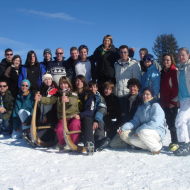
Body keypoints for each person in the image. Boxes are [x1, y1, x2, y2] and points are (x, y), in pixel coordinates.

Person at [114, 87, 166, 154]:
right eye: (144, 94)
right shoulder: (141, 108)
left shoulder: (155, 106)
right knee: (132, 140)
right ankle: (152, 145)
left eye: (147, 94)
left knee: (142, 132)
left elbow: (155, 123)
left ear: (152, 96)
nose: (145, 96)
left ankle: (157, 147)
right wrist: (124, 127)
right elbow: (135, 121)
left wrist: (139, 129)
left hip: (157, 131)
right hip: (144, 132)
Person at [35, 76, 81, 151]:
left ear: (68, 84)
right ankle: (62, 143)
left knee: (75, 125)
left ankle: (73, 143)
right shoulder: (58, 94)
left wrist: (68, 99)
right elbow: (50, 100)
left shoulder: (73, 93)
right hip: (63, 117)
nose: (63, 85)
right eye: (61, 84)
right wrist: (40, 99)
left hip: (73, 116)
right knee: (59, 130)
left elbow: (74, 101)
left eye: (65, 83)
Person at [73, 75, 108, 155]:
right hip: (86, 116)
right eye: (91, 87)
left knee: (98, 124)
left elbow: (102, 109)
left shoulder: (99, 98)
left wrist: (96, 120)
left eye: (94, 87)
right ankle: (90, 142)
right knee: (86, 119)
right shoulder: (77, 94)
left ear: (97, 88)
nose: (92, 89)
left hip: (95, 117)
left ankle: (95, 143)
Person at [109, 78, 143, 148]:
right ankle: (133, 143)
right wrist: (123, 122)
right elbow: (124, 114)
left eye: (134, 86)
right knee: (113, 144)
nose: (132, 89)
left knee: (123, 135)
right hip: (127, 126)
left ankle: (139, 144)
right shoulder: (126, 99)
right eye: (130, 86)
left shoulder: (141, 100)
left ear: (138, 88)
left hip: (138, 127)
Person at [114, 45, 141, 122]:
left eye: (125, 52)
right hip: (118, 94)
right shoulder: (116, 65)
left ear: (128, 53)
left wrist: (135, 93)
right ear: (119, 53)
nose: (123, 54)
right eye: (121, 52)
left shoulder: (134, 64)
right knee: (120, 117)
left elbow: (137, 80)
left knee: (129, 117)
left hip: (128, 95)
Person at [160, 54, 179, 151]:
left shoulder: (173, 71)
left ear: (171, 61)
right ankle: (174, 141)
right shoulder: (163, 72)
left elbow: (176, 87)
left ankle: (176, 142)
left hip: (171, 103)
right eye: (164, 60)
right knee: (169, 122)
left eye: (167, 60)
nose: (165, 62)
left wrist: (173, 101)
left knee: (173, 123)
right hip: (164, 102)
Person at [174, 47, 190, 156]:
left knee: (180, 120)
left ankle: (184, 144)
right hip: (183, 99)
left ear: (188, 55)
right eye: (179, 55)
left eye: (183, 55)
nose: (180, 57)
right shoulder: (180, 68)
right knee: (187, 123)